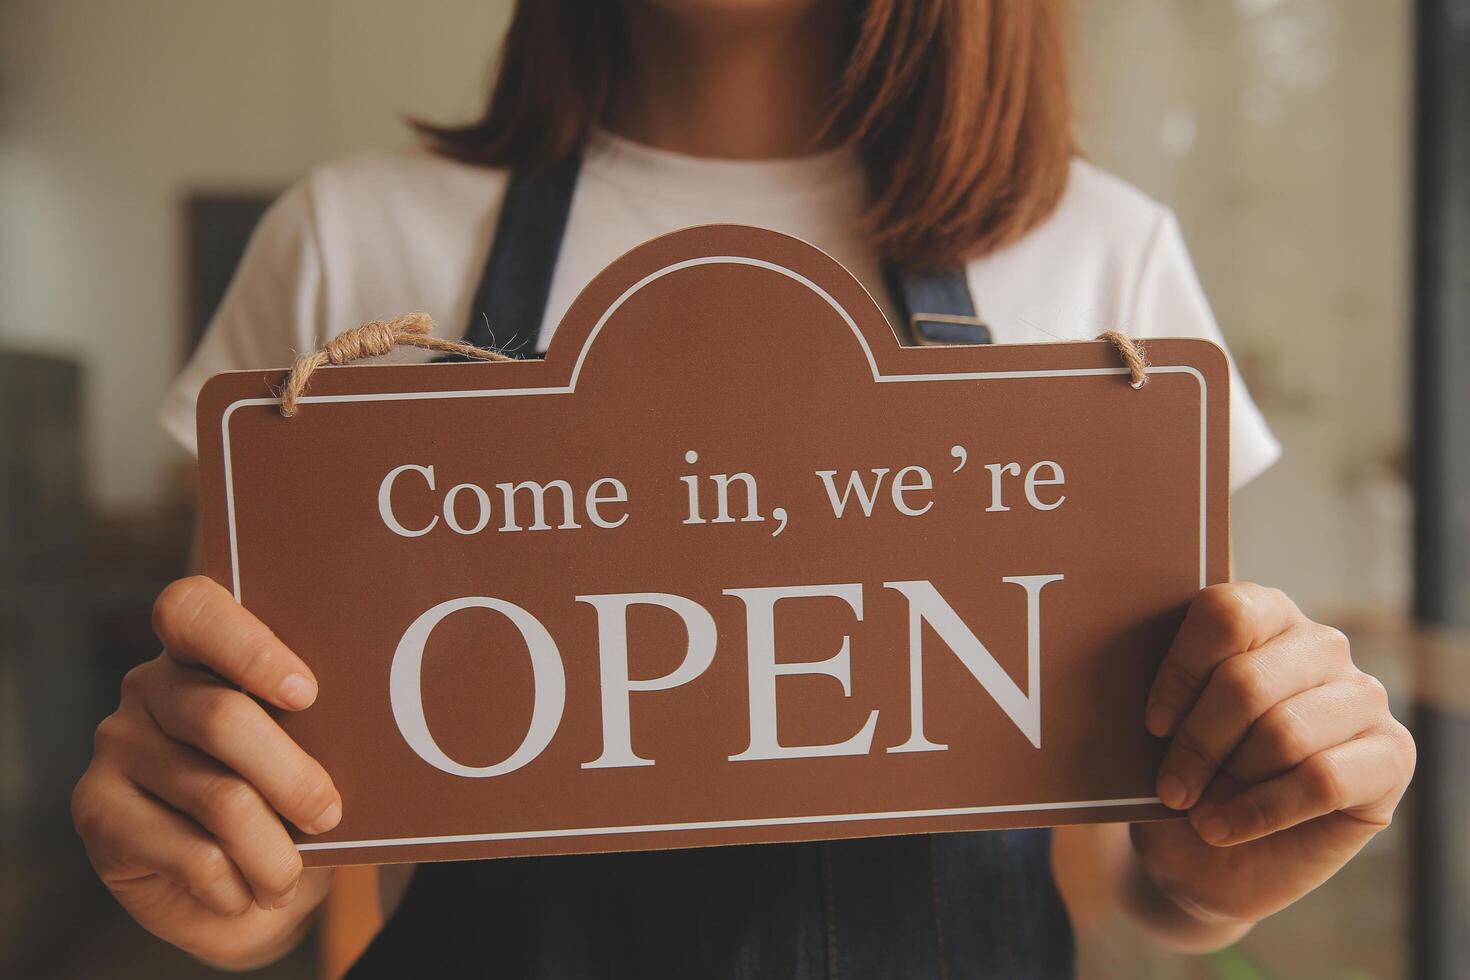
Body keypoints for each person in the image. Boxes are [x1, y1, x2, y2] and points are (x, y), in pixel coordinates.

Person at [72, 0, 1415, 976]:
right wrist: (218, 885)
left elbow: (1112, 867)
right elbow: (276, 827)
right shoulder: (345, 240)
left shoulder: (1102, 256)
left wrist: (1210, 873)